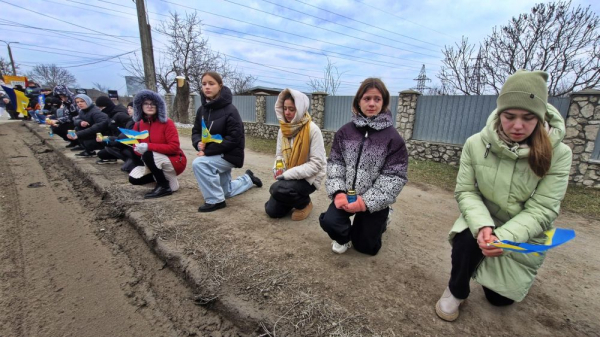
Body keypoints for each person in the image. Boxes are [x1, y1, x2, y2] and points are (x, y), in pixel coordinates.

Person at [435, 70, 573, 322]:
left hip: (522, 232)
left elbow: (543, 209)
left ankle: (495, 273)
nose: (517, 126)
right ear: (499, 114)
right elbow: (466, 190)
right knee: (466, 240)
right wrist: (483, 226)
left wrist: (504, 238)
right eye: (509, 116)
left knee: (499, 301)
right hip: (483, 218)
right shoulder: (475, 143)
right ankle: (457, 289)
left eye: (528, 117)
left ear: (540, 117)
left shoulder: (559, 153)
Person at [319, 78, 408, 256]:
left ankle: (384, 217)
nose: (372, 104)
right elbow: (336, 164)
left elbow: (394, 177)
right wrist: (338, 193)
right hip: (347, 195)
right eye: (367, 98)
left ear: (383, 102)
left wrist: (364, 202)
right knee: (330, 222)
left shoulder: (393, 138)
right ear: (358, 101)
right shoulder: (344, 132)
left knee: (367, 247)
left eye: (377, 99)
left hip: (372, 200)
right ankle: (345, 237)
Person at [191, 71, 262, 212]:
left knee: (199, 164)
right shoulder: (202, 110)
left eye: (211, 83)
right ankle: (248, 179)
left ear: (220, 86)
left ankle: (215, 201)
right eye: (204, 84)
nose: (207, 87)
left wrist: (207, 152)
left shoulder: (230, 110)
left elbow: (234, 139)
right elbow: (196, 131)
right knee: (226, 192)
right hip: (213, 154)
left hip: (229, 155)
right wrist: (198, 142)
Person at [264, 88, 326, 220]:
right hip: (289, 176)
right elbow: (279, 155)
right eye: (285, 108)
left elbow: (316, 165)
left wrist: (286, 175)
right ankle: (290, 198)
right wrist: (278, 168)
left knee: (277, 189)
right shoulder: (283, 130)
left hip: (309, 178)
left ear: (300, 108)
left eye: (291, 109)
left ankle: (305, 203)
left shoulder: (313, 130)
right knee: (272, 211)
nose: (287, 112)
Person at [128, 90, 187, 199]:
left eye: (153, 103)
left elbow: (174, 148)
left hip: (173, 160)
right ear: (140, 106)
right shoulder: (138, 125)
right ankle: (164, 181)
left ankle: (164, 186)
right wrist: (138, 150)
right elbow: (135, 148)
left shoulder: (167, 123)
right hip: (152, 162)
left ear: (158, 105)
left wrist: (148, 146)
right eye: (146, 103)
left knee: (147, 153)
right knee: (134, 179)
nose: (149, 106)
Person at [94, 96, 134, 166]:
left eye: (131, 108)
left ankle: (131, 161)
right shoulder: (111, 115)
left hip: (127, 144)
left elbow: (128, 136)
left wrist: (110, 140)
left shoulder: (121, 115)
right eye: (128, 108)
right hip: (119, 140)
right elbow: (100, 126)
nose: (129, 110)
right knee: (103, 150)